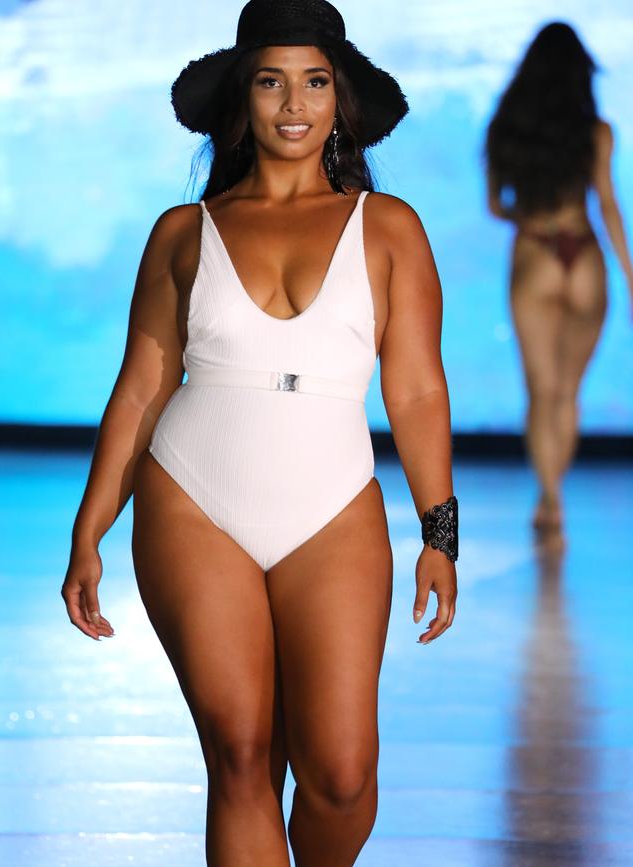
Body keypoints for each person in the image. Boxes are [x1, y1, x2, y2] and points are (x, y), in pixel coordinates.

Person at [61, 1, 458, 864]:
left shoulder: (389, 228)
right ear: (242, 98)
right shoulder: (183, 232)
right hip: (193, 499)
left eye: (315, 81)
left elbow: (419, 389)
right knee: (240, 757)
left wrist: (441, 534)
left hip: (333, 508)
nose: (293, 103)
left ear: (340, 99)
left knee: (343, 774)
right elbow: (137, 393)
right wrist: (88, 530)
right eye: (271, 81)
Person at [485, 21, 633, 536]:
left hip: (535, 252)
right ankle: (556, 494)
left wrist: (529, 218)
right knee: (569, 392)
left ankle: (548, 498)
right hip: (585, 253)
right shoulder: (597, 131)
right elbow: (609, 206)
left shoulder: (506, 128)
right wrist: (632, 279)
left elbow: (495, 206)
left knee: (541, 390)